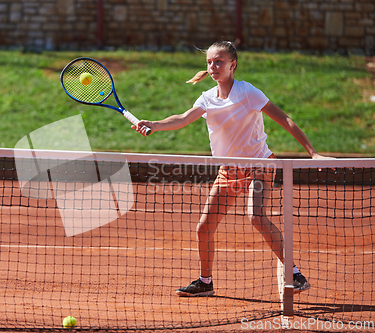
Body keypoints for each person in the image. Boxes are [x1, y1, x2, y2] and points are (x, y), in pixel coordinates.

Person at [133, 41, 332, 297]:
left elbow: (285, 119)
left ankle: (295, 274)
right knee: (204, 227)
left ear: (232, 64)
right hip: (229, 171)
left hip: (260, 165)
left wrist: (312, 152)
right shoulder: (207, 99)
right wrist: (156, 124)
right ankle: (205, 283)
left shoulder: (248, 93)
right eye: (209, 62)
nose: (213, 66)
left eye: (218, 61)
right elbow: (183, 118)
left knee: (256, 216)